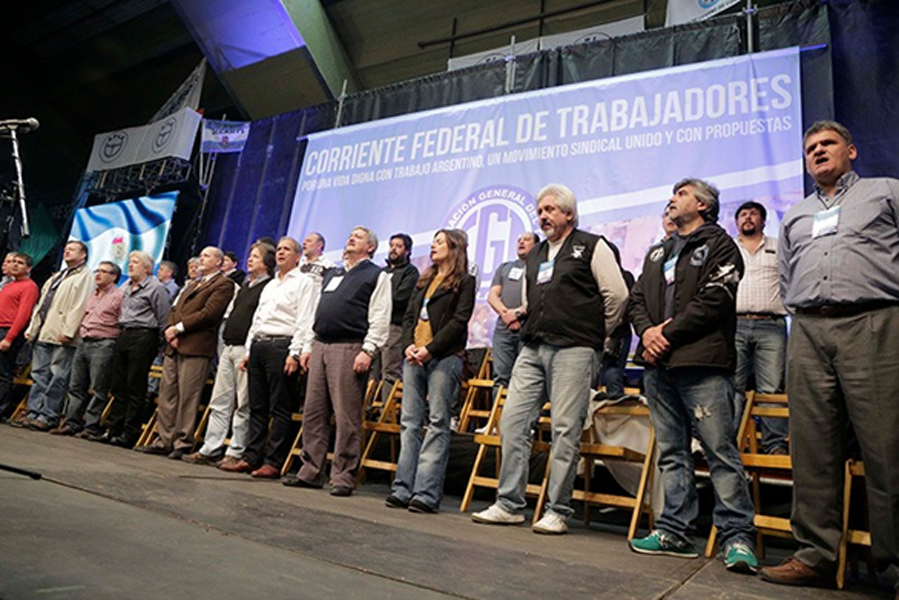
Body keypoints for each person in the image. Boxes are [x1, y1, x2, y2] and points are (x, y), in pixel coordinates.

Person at [760, 120, 899, 594]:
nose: (818, 152)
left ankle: (895, 563)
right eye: (810, 148)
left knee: (886, 445)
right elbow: (786, 275)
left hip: (874, 322)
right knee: (812, 448)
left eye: (828, 144)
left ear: (852, 151)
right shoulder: (796, 215)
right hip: (809, 330)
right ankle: (815, 556)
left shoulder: (885, 193)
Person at [472, 184, 628, 534]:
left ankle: (558, 509)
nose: (543, 215)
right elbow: (533, 299)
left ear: (569, 214)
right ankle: (509, 504)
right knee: (512, 421)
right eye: (540, 210)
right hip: (532, 347)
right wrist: (522, 313)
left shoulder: (592, 245)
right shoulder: (538, 253)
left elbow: (617, 295)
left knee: (565, 428)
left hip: (575, 349)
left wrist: (595, 334)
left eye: (551, 210)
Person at [627, 179, 757, 574]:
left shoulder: (720, 245)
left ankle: (737, 537)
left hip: (703, 364)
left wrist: (664, 334)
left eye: (681, 194)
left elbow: (715, 299)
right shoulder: (657, 251)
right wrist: (647, 333)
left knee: (719, 451)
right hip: (658, 366)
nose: (672, 199)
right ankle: (674, 532)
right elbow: (636, 300)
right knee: (671, 451)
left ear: (702, 204)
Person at [285, 226, 390, 496]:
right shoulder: (335, 273)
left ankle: (343, 475)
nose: (350, 237)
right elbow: (315, 313)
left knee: (346, 415)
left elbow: (379, 315)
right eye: (350, 234)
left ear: (370, 247)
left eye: (358, 236)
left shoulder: (376, 275)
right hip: (320, 344)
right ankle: (310, 471)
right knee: (314, 411)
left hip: (349, 347)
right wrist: (307, 346)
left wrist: (368, 350)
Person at [386, 229, 475, 512]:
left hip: (444, 358)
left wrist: (430, 349)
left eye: (439, 242)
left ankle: (425, 492)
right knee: (409, 422)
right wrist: (409, 346)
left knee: (437, 423)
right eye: (434, 241)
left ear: (454, 247)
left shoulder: (465, 281)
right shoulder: (424, 280)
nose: (433, 246)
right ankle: (402, 488)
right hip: (414, 358)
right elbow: (410, 316)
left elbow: (459, 321)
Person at [220, 237, 317, 477]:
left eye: (287, 250)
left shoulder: (305, 282)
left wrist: (295, 352)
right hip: (260, 345)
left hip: (281, 345)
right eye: (280, 249)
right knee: (257, 405)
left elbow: (306, 320)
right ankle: (252, 456)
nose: (282, 253)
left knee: (280, 407)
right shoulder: (271, 285)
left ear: (297, 257)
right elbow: (258, 319)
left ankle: (274, 461)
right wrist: (250, 350)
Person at [183, 242, 274, 467]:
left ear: (267, 263)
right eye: (250, 255)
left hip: (245, 348)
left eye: (255, 256)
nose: (250, 259)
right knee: (220, 400)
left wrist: (250, 349)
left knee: (243, 403)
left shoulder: (268, 287)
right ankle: (211, 447)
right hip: (229, 346)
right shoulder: (245, 285)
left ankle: (235, 450)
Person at [139, 246, 233, 458]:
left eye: (207, 256)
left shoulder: (223, 284)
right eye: (201, 255)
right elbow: (174, 308)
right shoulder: (193, 283)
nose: (202, 258)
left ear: (219, 262)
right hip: (175, 344)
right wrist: (170, 330)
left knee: (188, 396)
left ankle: (182, 441)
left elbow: (208, 314)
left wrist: (178, 328)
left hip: (196, 345)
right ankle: (164, 439)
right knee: (168, 394)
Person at [14, 240, 94, 430]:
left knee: (58, 376)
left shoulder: (85, 276)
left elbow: (80, 305)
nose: (67, 251)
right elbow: (42, 304)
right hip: (45, 330)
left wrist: (69, 331)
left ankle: (48, 416)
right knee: (39, 374)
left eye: (72, 249)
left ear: (83, 255)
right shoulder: (58, 275)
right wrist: (32, 328)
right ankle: (33, 411)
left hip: (61, 334)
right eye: (66, 249)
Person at [94, 251, 170, 447]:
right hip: (124, 333)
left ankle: (130, 433)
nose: (130, 265)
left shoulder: (156, 288)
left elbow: (164, 317)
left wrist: (161, 344)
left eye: (135, 262)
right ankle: (113, 428)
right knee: (118, 384)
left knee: (135, 385)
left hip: (144, 335)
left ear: (147, 268)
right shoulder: (126, 286)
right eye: (130, 262)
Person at [731, 201, 788, 453]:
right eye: (743, 214)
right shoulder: (728, 248)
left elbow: (791, 280)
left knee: (772, 387)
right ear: (736, 222)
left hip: (771, 325)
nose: (748, 218)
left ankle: (774, 445)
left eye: (753, 214)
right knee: (732, 385)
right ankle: (729, 442)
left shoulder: (778, 246)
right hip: (735, 325)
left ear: (763, 221)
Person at [52, 261, 123, 437]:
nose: (97, 274)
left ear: (114, 276)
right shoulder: (93, 295)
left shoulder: (119, 296)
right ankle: (71, 423)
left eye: (103, 272)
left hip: (103, 343)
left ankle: (91, 426)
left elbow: (123, 321)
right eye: (97, 271)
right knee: (76, 385)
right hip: (84, 342)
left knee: (98, 387)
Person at [487, 232, 538, 400]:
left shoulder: (541, 267)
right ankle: (497, 424)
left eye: (526, 239)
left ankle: (524, 425)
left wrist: (517, 314)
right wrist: (506, 315)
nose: (521, 242)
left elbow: (540, 297)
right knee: (501, 378)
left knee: (525, 378)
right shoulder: (505, 267)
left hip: (528, 331)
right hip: (503, 331)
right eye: (519, 239)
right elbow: (492, 296)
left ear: (536, 245)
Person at [377, 233, 419, 400]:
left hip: (394, 325)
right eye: (391, 245)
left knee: (390, 368)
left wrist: (378, 304)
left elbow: (401, 298)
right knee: (373, 369)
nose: (393, 249)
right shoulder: (382, 272)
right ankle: (369, 408)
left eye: (398, 246)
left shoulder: (410, 272)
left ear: (407, 251)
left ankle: (387, 414)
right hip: (376, 325)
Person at [0, 253, 39, 418]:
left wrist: (9, 337)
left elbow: (24, 315)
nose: (15, 265)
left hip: (9, 330)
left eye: (20, 263)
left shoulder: (29, 286)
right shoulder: (8, 285)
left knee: (3, 372)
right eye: (13, 262)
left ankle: (1, 409)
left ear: (28, 268)